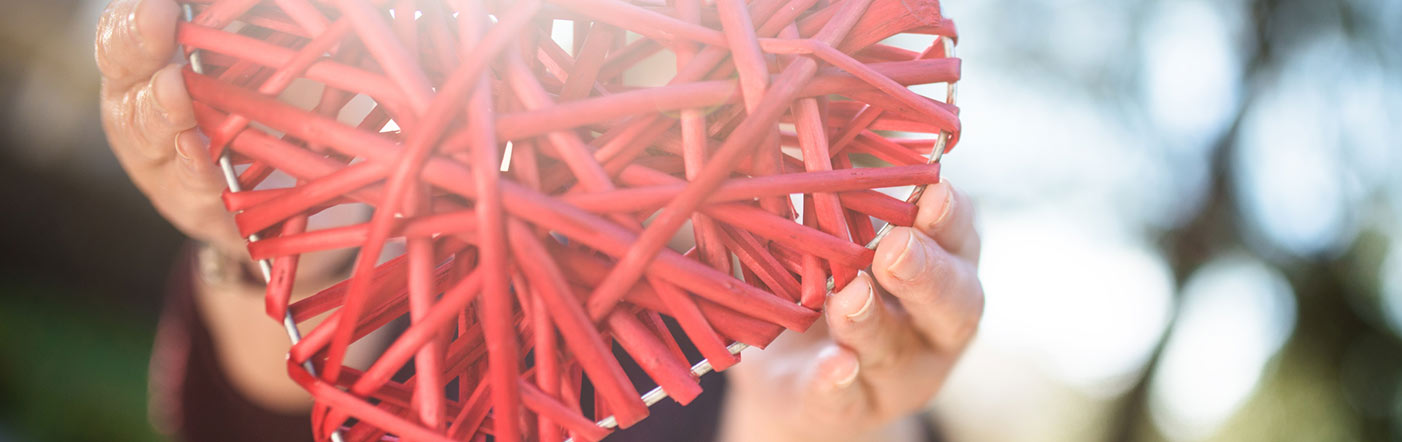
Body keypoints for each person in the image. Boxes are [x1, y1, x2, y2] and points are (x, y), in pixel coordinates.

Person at [95, 0, 985, 441]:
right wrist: (265, 242)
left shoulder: (837, 300)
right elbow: (244, 420)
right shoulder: (443, 237)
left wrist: (811, 431)